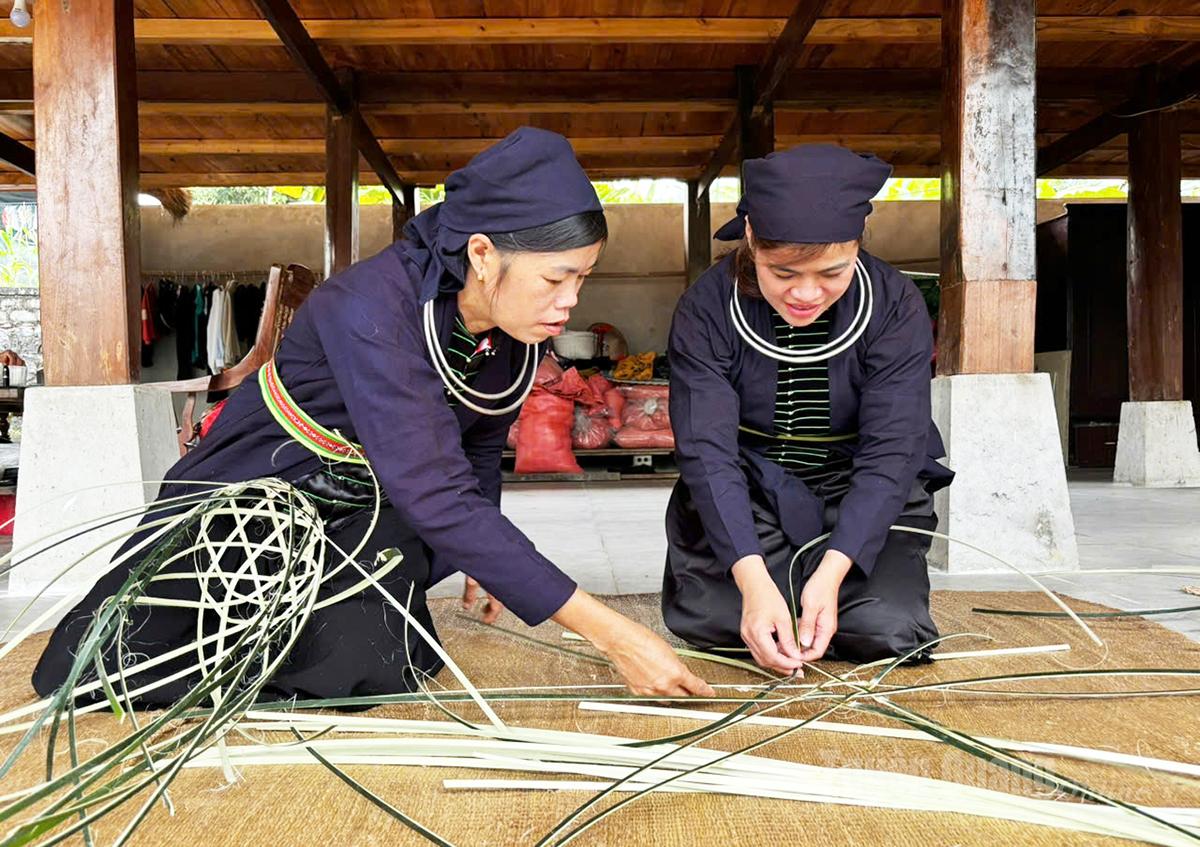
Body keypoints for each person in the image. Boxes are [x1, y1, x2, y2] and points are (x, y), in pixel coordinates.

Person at [34, 127, 713, 703]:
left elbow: (478, 444)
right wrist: (614, 634)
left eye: (582, 278)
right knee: (105, 666)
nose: (570, 300)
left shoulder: (512, 329)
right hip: (260, 489)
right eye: (556, 278)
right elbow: (437, 492)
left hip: (364, 507)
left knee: (372, 661)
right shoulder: (371, 307)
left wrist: (487, 554)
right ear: (482, 254)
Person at [661, 144, 954, 673]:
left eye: (832, 273)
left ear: (859, 243)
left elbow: (892, 451)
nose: (806, 293)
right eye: (783, 273)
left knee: (888, 630)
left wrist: (833, 573)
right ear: (751, 237)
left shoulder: (895, 304)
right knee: (722, 619)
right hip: (752, 491)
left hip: (857, 488)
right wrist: (753, 581)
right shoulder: (706, 308)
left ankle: (825, 584)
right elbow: (707, 451)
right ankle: (774, 585)